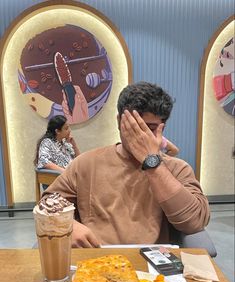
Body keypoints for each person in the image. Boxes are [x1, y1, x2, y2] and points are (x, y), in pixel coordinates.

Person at [43, 81, 210, 248]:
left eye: (149, 128)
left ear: (161, 129)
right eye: (133, 126)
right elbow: (47, 203)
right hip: (96, 259)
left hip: (151, 262)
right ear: (118, 122)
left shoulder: (178, 169)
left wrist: (153, 163)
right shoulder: (85, 164)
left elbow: (194, 222)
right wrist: (67, 225)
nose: (140, 135)